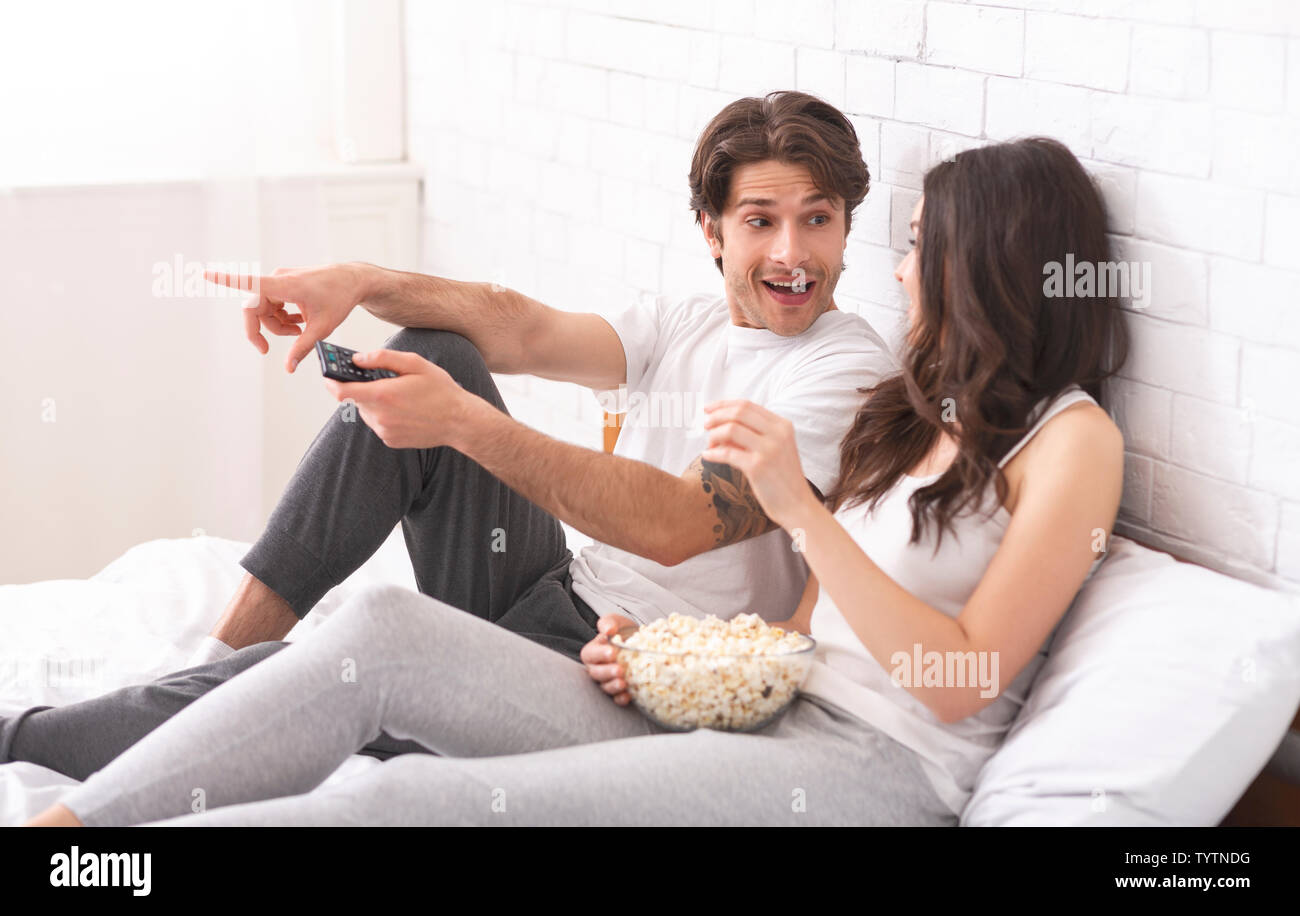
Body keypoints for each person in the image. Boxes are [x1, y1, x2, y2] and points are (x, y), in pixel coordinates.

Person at [25, 135, 1129, 827]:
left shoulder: (1066, 442)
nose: (893, 266)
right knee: (373, 625)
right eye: (759, 220)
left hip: (870, 767)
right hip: (727, 707)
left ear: (985, 258)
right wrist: (668, 662)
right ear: (711, 232)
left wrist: (799, 506)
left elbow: (958, 678)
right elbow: (798, 629)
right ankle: (72, 827)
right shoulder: (913, 414)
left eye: (914, 241)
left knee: (393, 794)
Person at [1, 90, 895, 780]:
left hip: (632, 670)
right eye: (761, 221)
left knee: (333, 677)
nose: (792, 255)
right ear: (711, 230)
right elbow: (520, 327)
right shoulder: (691, 320)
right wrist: (357, 280)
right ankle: (222, 653)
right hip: (550, 590)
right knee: (437, 350)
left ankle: (26, 743)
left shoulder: (846, 372)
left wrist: (464, 427)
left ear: (847, 225)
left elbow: (676, 521)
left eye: (818, 219)